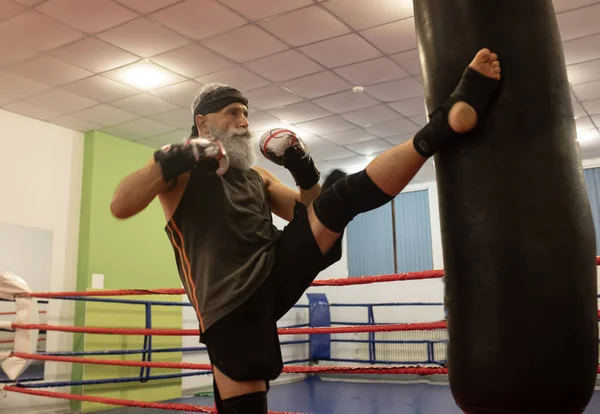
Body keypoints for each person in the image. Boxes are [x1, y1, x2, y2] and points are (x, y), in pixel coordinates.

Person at [110, 48, 502, 413]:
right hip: (230, 308)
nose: (244, 121)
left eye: (245, 112)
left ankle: (440, 128)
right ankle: (442, 125)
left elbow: (311, 212)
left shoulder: (256, 177)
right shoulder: (181, 176)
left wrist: (304, 172)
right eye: (232, 113)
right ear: (202, 122)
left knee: (335, 192)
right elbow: (121, 204)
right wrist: (171, 159)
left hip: (275, 271)